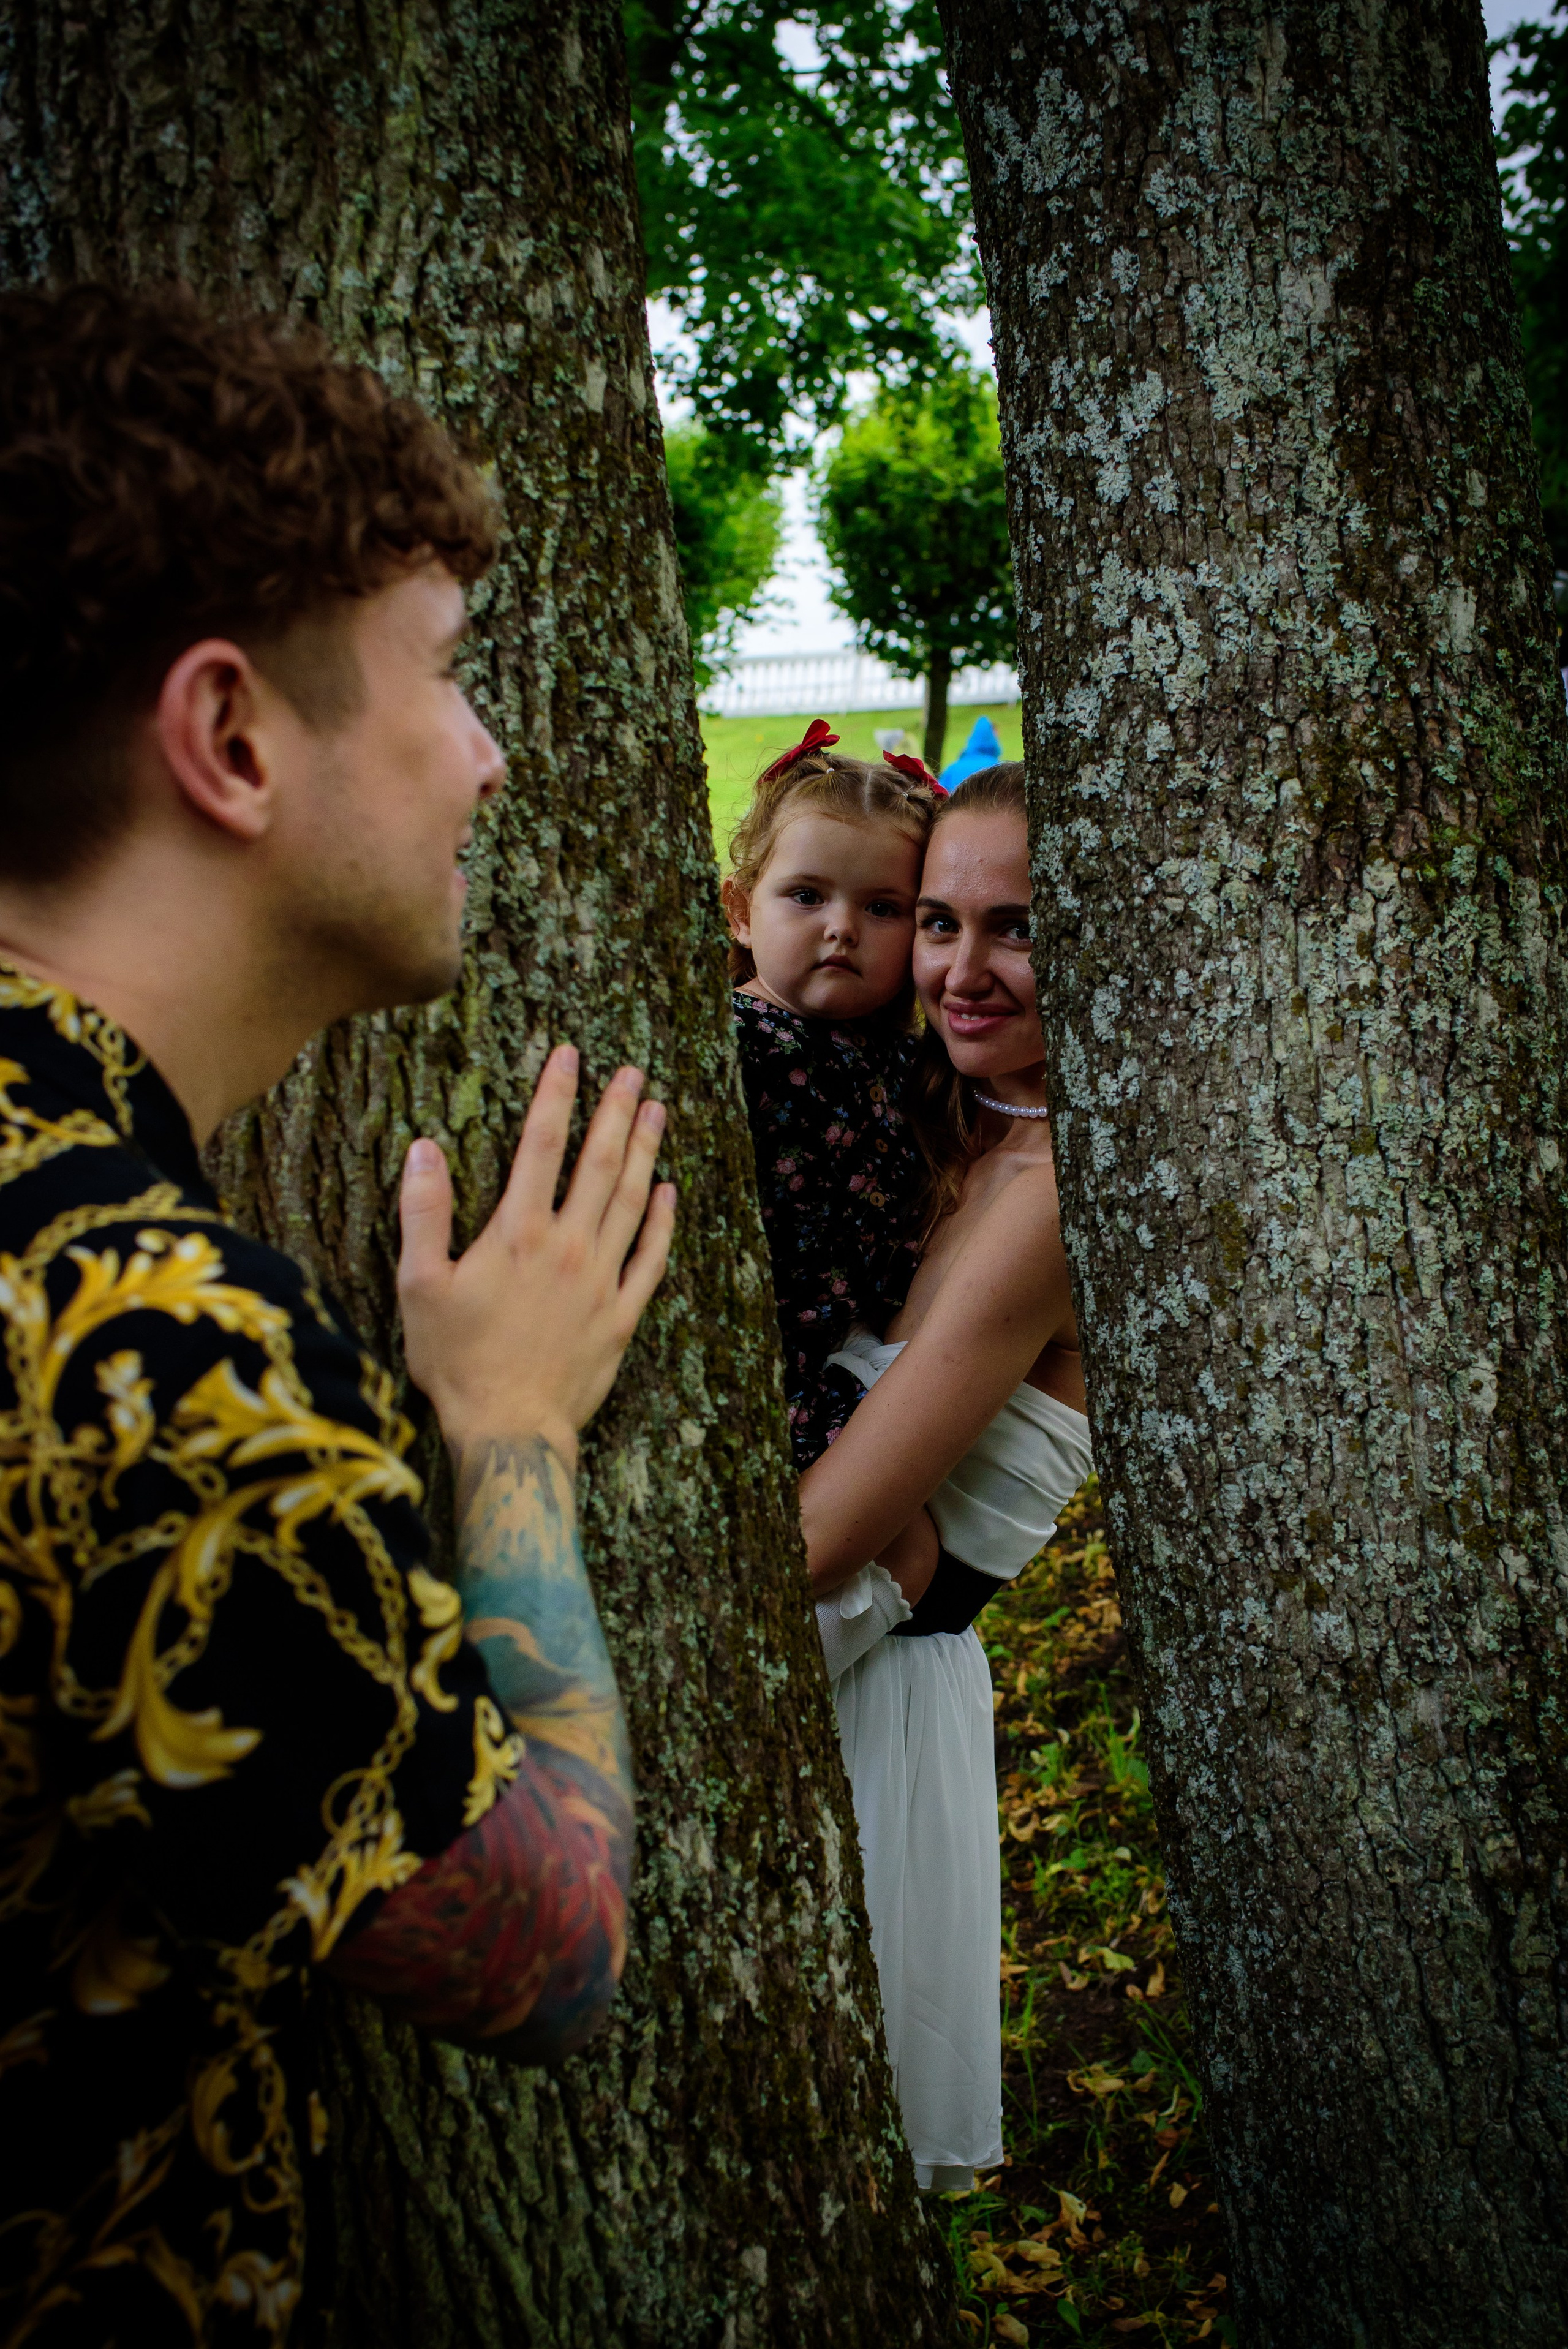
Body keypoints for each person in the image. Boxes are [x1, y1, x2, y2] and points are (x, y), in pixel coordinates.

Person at [0, 285, 674, 2348]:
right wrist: (515, 1423)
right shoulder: (179, 1372)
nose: (493, 758)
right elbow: (548, 1947)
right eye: (452, 680)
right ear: (228, 738)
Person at [796, 763, 1092, 2193]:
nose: (960, 970)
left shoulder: (1046, 1193)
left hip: (869, 1697)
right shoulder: (932, 1119)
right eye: (934, 921)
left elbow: (822, 1535)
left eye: (1013, 926)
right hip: (821, 1661)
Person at [721, 719, 941, 1469]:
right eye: (806, 896)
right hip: (764, 1364)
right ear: (743, 911)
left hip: (850, 1354)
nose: (841, 929)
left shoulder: (905, 1054)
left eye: (883, 909)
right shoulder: (737, 1039)